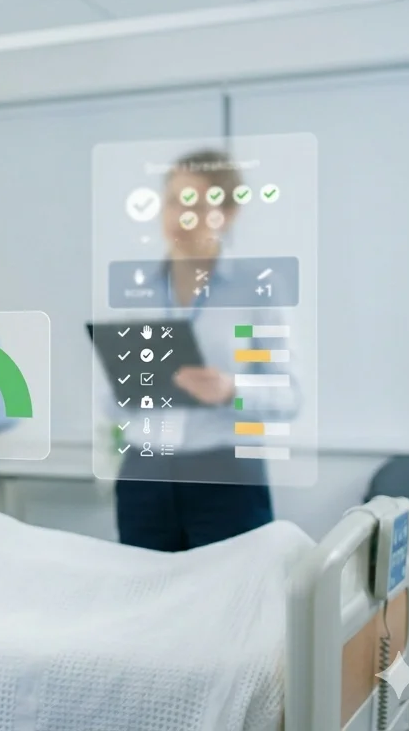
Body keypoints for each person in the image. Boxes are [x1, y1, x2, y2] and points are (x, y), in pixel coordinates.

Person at [109, 150, 299, 552]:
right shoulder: (139, 289)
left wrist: (230, 389)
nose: (180, 216)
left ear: (227, 214)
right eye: (174, 201)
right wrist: (126, 384)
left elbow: (289, 395)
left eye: (195, 203)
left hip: (225, 473)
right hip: (145, 472)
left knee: (231, 604)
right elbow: (110, 400)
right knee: (145, 600)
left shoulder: (256, 288)